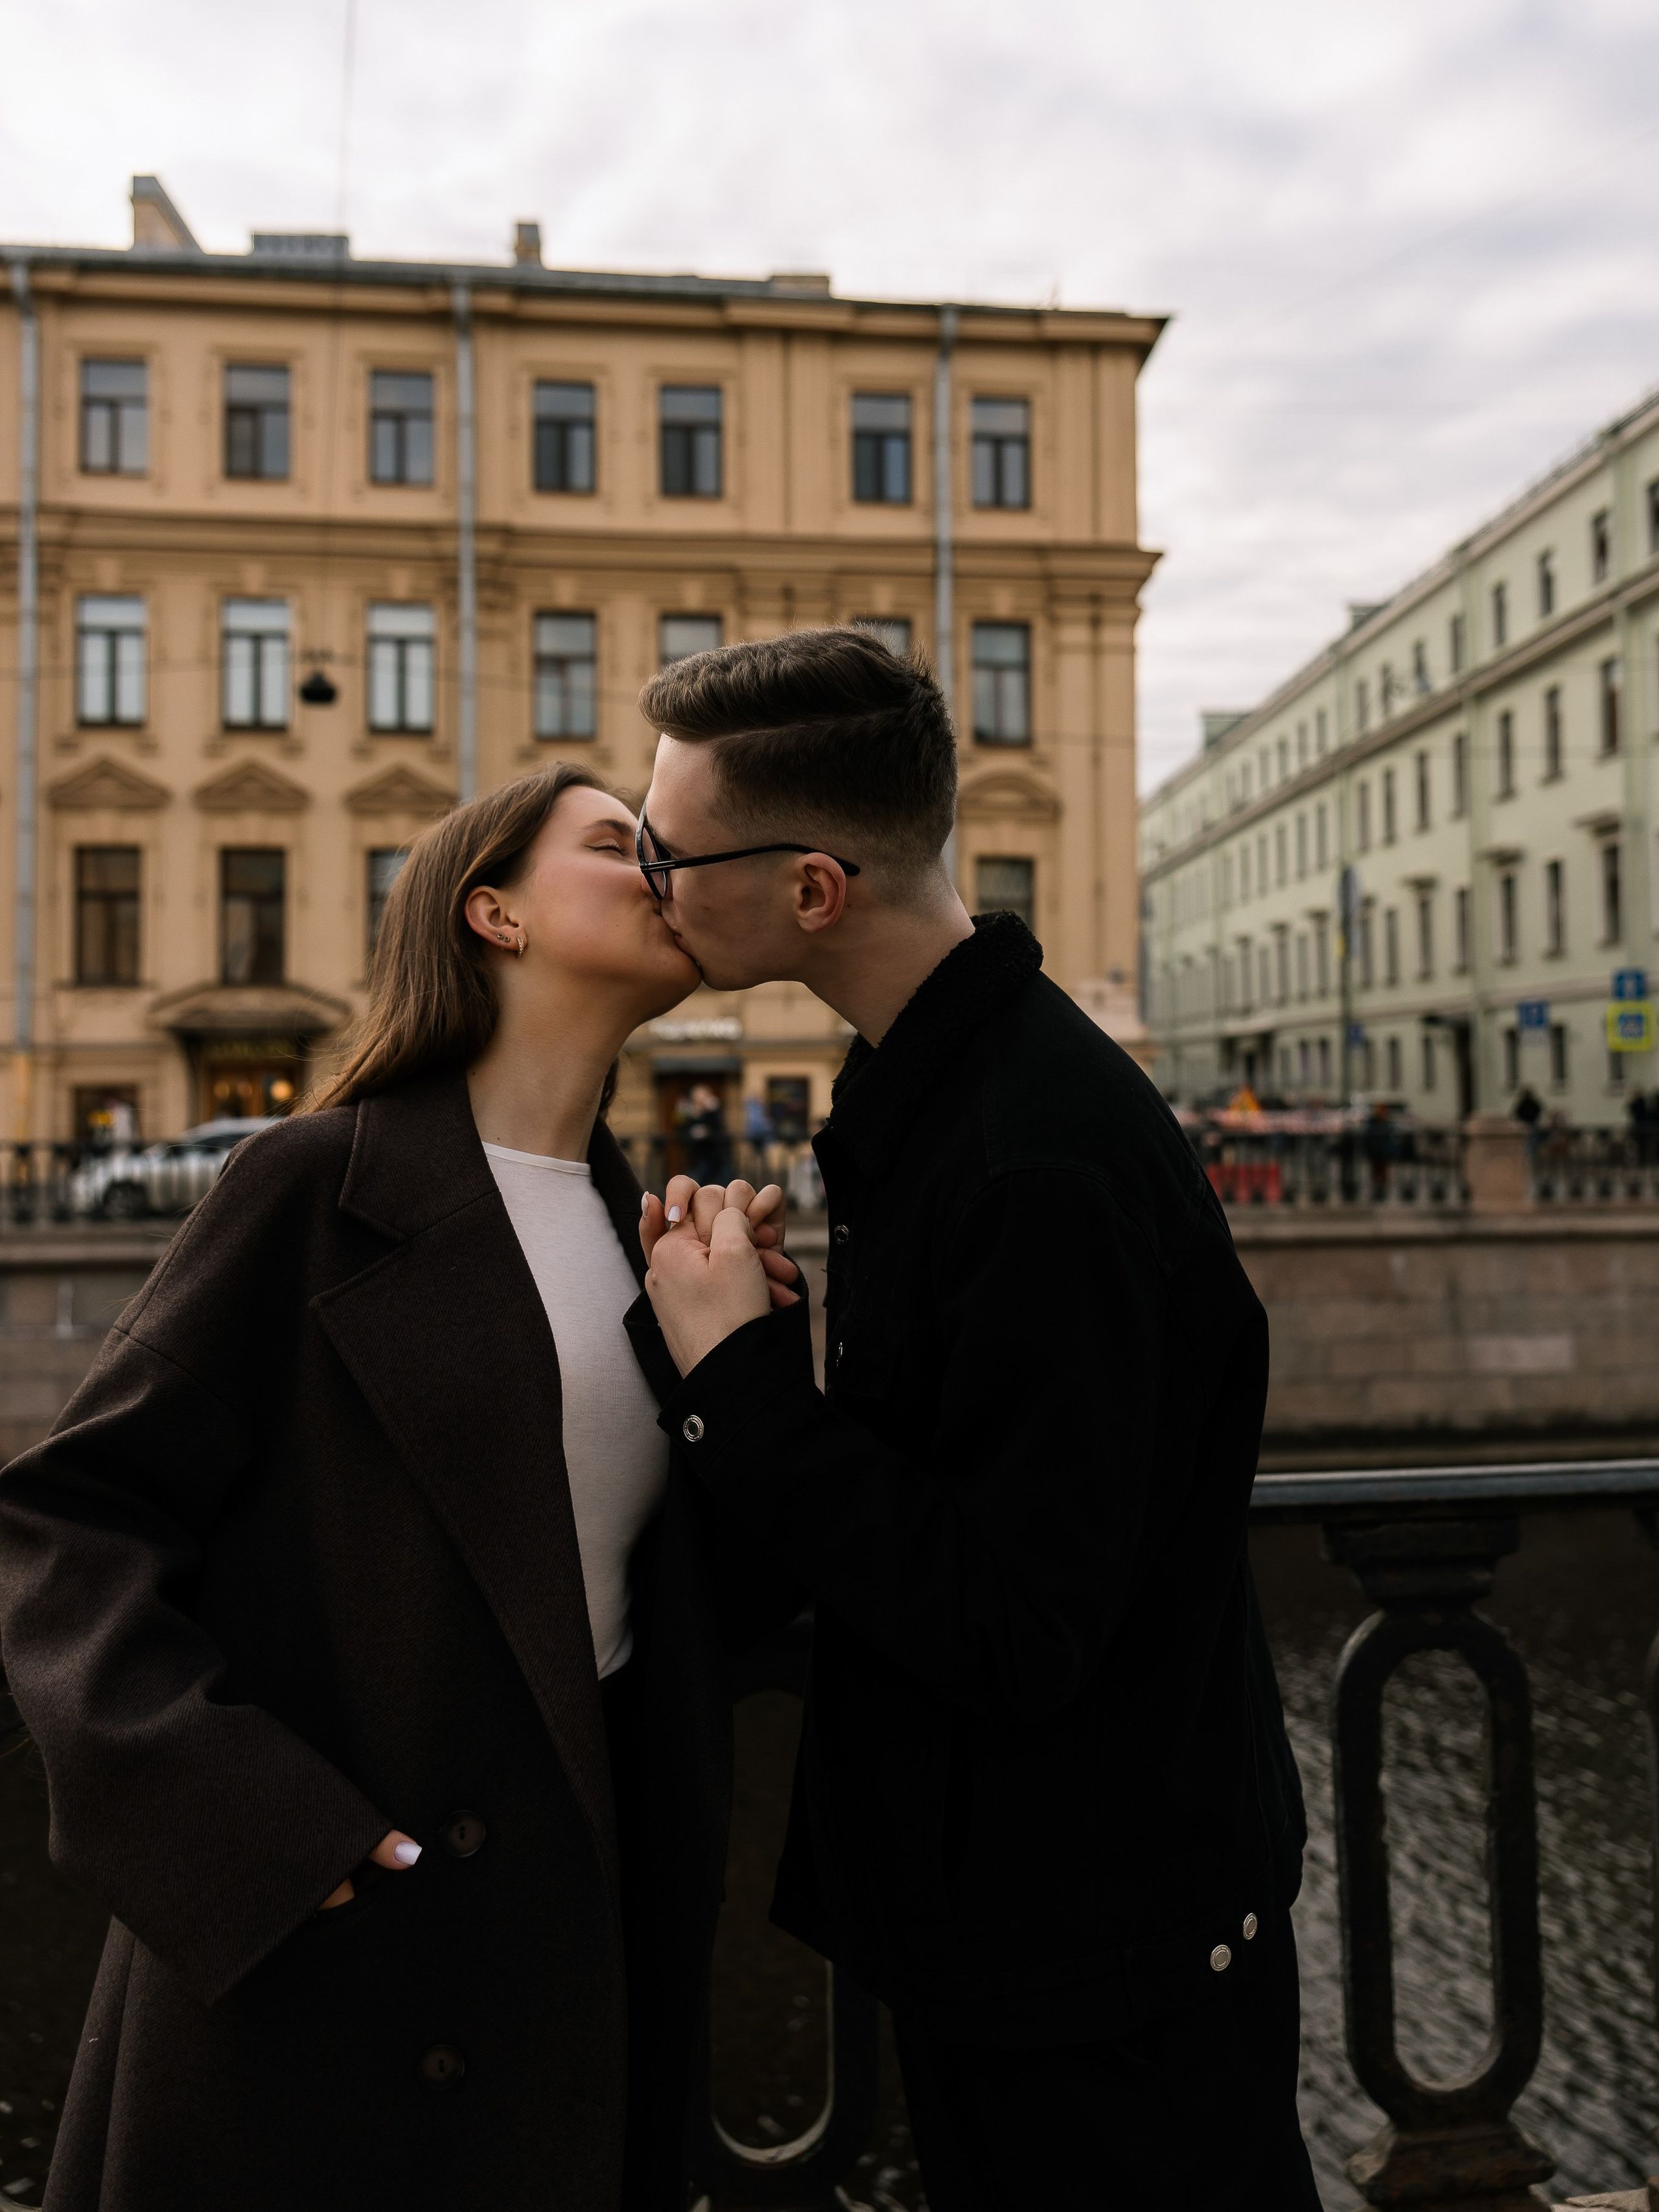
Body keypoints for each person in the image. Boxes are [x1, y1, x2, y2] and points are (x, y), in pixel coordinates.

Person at [0, 763, 796, 2212]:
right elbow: (68, 1525)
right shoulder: (311, 1186)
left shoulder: (645, 1229)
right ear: (494, 913)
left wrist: (743, 1360)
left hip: (564, 1947)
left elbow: (689, 1603)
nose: (664, 868)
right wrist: (254, 1830)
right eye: (618, 844)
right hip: (331, 1957)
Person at [630, 629, 1319, 2211]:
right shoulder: (951, 1089)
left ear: (813, 889)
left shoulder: (1028, 1161)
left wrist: (737, 1379)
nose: (648, 878)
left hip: (1097, 1956)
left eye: (667, 851)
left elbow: (1014, 1624)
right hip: (1043, 1919)